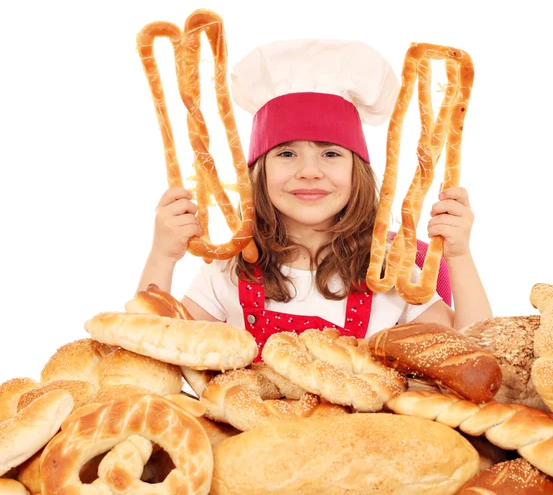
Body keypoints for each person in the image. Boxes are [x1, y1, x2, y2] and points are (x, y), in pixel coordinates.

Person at [137, 39, 492, 356]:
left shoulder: (392, 274)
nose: (309, 171)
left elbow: (474, 354)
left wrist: (458, 255)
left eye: (331, 154)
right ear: (258, 174)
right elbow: (149, 351)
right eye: (286, 154)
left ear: (359, 172)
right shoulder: (226, 272)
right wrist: (163, 256)